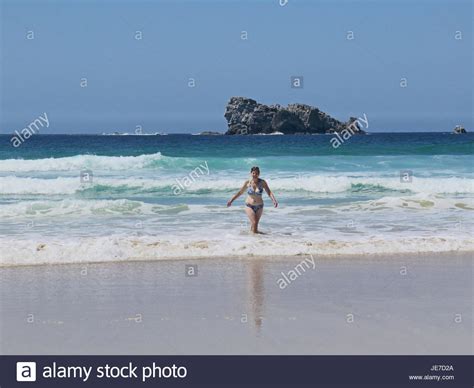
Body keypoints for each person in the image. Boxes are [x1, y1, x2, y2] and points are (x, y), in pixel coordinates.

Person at [227, 166, 278, 234]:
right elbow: (240, 192)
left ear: (259, 174)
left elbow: (269, 192)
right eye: (253, 173)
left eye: (256, 173)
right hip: (249, 206)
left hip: (260, 206)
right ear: (251, 173)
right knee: (254, 222)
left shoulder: (262, 182)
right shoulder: (248, 182)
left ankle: (251, 240)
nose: (255, 175)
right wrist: (231, 200)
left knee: (254, 225)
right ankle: (257, 239)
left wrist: (274, 200)